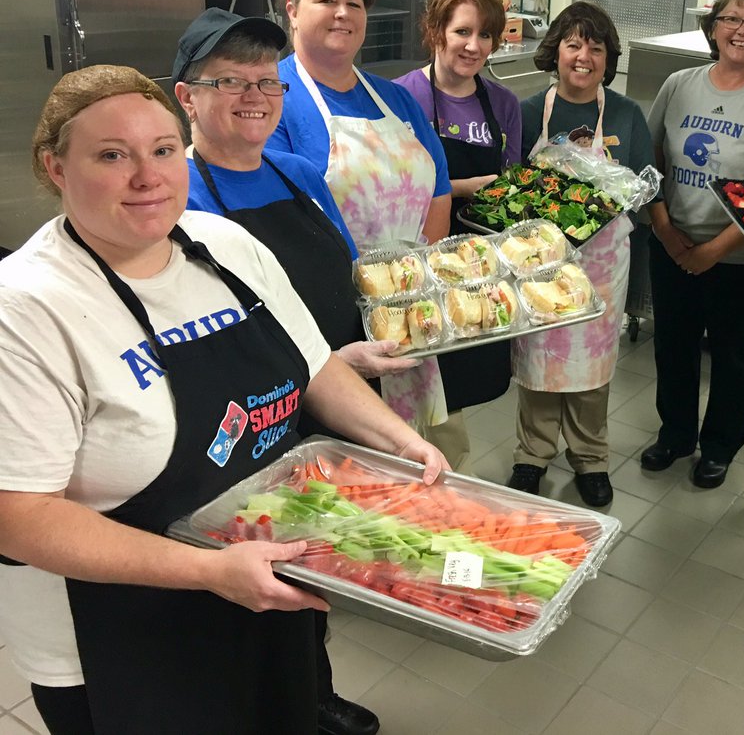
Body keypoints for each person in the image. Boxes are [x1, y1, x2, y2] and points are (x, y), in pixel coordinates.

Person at [0, 66, 448, 735]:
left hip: (259, 580)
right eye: (111, 155)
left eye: (161, 149)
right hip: (119, 638)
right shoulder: (27, 308)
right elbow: (19, 514)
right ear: (55, 167)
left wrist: (400, 441)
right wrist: (208, 570)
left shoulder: (227, 246)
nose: (147, 175)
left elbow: (315, 364)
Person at [174, 7, 418, 735]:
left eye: (267, 81)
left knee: (321, 558)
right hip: (248, 418)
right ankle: (271, 705)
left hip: (336, 394)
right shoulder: (177, 195)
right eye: (230, 81)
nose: (255, 95)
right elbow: (198, 342)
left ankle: (314, 689)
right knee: (258, 570)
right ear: (187, 96)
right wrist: (319, 365)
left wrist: (378, 336)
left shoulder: (301, 170)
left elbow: (345, 273)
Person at [268, 0, 453, 441]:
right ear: (291, 7)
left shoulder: (393, 97)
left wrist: (416, 280)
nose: (343, 13)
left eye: (355, 3)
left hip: (409, 302)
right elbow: (278, 222)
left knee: (426, 455)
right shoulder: (272, 99)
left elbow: (438, 184)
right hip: (329, 313)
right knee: (353, 464)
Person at [641, 0, 744, 489]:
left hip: (741, 258)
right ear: (712, 28)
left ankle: (719, 445)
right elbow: (651, 163)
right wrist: (667, 231)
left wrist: (711, 251)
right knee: (674, 345)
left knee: (734, 355)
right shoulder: (679, 84)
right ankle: (675, 434)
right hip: (673, 242)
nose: (742, 31)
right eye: (732, 19)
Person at [506, 2, 654, 507]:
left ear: (608, 58)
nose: (584, 56)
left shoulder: (628, 115)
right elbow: (510, 190)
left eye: (595, 47)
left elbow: (645, 188)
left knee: (591, 369)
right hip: (541, 266)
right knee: (540, 363)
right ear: (557, 52)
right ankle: (533, 455)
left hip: (603, 266)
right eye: (573, 44)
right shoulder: (528, 112)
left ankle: (591, 457)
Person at [394, 0, 523, 469]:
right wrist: (459, 188)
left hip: (476, 263)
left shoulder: (503, 103)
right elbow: (399, 189)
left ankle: (445, 476)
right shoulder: (401, 97)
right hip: (418, 258)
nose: (474, 46)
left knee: (455, 392)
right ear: (436, 32)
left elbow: (509, 183)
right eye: (462, 32)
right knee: (412, 374)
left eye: (485, 35)